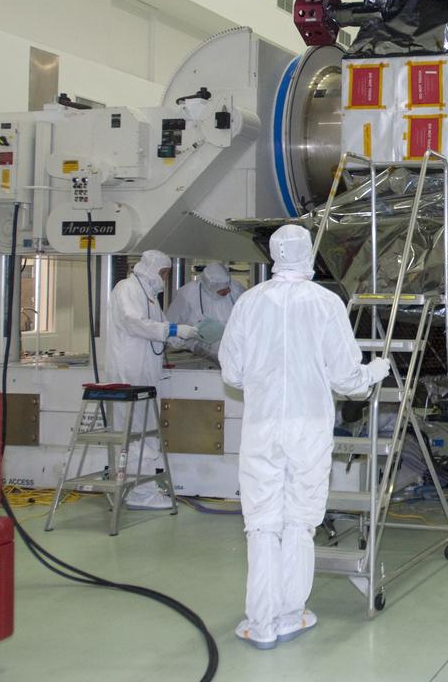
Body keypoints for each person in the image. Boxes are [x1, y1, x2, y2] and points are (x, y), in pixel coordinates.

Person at [219, 225, 390, 650]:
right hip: (309, 428)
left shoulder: (249, 302)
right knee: (300, 519)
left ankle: (260, 624)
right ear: (308, 254)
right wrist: (377, 370)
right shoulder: (325, 303)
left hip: (261, 427)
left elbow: (232, 373)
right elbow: (348, 378)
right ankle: (292, 613)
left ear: (275, 255)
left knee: (260, 524)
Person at [105, 250, 199, 509]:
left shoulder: (149, 296)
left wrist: (185, 337)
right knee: (135, 436)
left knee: (145, 434)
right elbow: (134, 323)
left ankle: (144, 489)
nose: (164, 278)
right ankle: (139, 495)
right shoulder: (127, 289)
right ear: (150, 268)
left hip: (144, 376)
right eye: (163, 273)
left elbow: (159, 328)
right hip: (128, 376)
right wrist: (173, 329)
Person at [166, 262, 244, 359]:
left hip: (233, 342)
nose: (228, 291)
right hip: (199, 346)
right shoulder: (187, 294)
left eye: (228, 286)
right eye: (222, 290)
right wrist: (180, 343)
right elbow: (170, 324)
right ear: (209, 287)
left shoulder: (236, 289)